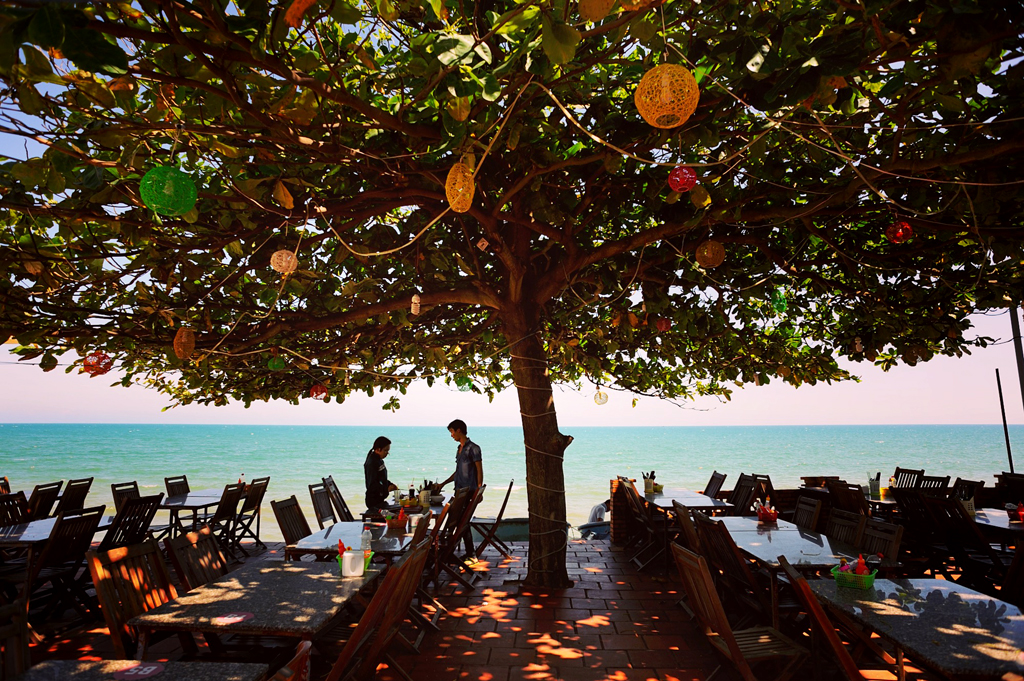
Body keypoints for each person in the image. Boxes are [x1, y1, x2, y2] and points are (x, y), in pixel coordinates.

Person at [435, 419, 482, 557]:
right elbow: (458, 471)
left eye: (452, 432)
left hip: (469, 491)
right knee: (461, 520)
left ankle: (465, 552)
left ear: (459, 430)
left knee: (461, 520)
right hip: (459, 491)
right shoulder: (459, 449)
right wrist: (443, 484)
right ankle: (466, 551)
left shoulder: (474, 448)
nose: (451, 435)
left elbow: (479, 470)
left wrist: (479, 490)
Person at [364, 435, 398, 513]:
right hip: (373, 502)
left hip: (380, 499)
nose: (387, 453)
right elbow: (372, 484)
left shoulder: (379, 460)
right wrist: (386, 489)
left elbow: (381, 478)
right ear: (378, 449)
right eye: (385, 450)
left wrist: (390, 484)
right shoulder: (372, 463)